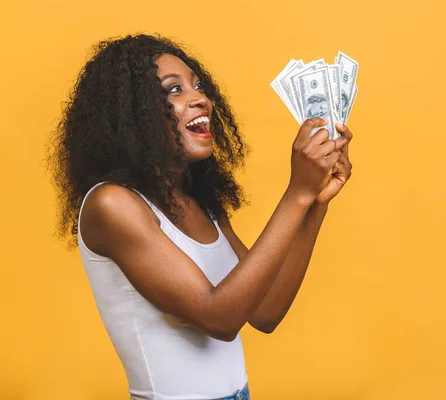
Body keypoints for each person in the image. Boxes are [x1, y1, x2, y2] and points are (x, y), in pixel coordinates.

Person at [47, 34, 354, 400]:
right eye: (173, 90)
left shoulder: (200, 201)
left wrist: (315, 201)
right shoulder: (112, 204)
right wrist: (296, 193)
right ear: (133, 112)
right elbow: (218, 318)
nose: (200, 99)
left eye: (198, 86)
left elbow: (265, 312)